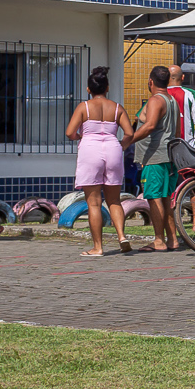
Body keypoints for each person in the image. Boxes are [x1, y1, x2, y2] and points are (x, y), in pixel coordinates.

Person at [66, 67, 132, 257]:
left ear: (89, 89)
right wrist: (121, 146)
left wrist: (80, 135)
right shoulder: (117, 108)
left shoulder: (84, 107)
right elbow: (129, 133)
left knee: (94, 203)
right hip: (113, 149)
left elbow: (70, 132)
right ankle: (121, 236)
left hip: (90, 150)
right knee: (114, 200)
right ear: (107, 87)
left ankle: (98, 247)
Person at [130, 66, 181, 251]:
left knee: (154, 198)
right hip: (169, 156)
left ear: (150, 81)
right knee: (165, 198)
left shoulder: (155, 100)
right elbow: (177, 131)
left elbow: (150, 126)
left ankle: (159, 240)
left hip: (155, 157)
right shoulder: (172, 100)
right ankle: (172, 239)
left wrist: (128, 140)